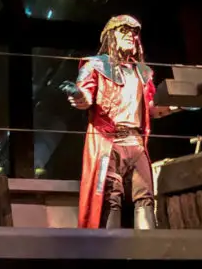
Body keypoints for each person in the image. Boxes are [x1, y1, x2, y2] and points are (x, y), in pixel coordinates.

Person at [62, 15, 158, 230]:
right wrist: (78, 95)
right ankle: (109, 247)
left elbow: (151, 108)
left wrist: (184, 103)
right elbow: (86, 97)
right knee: (109, 198)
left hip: (135, 143)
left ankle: (149, 248)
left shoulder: (142, 72)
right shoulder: (95, 66)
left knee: (145, 197)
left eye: (134, 32)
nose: (131, 36)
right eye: (124, 31)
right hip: (109, 143)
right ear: (111, 36)